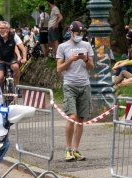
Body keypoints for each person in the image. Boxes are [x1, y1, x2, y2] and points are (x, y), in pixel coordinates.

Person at [56, 21, 94, 162]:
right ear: (71, 32)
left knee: (80, 119)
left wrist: (85, 59)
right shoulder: (63, 47)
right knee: (71, 117)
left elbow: (91, 66)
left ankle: (76, 149)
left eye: (81, 33)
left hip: (84, 84)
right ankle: (68, 149)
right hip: (70, 85)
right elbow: (59, 69)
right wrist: (70, 60)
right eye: (77, 33)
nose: (80, 36)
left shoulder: (86, 45)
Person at [0, 21, 27, 96]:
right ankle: (0, 93)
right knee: (0, 77)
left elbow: (23, 48)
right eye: (0, 28)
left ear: (8, 29)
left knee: (16, 67)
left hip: (11, 58)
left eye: (3, 28)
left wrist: (24, 58)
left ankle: (17, 88)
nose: (1, 30)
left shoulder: (14, 36)